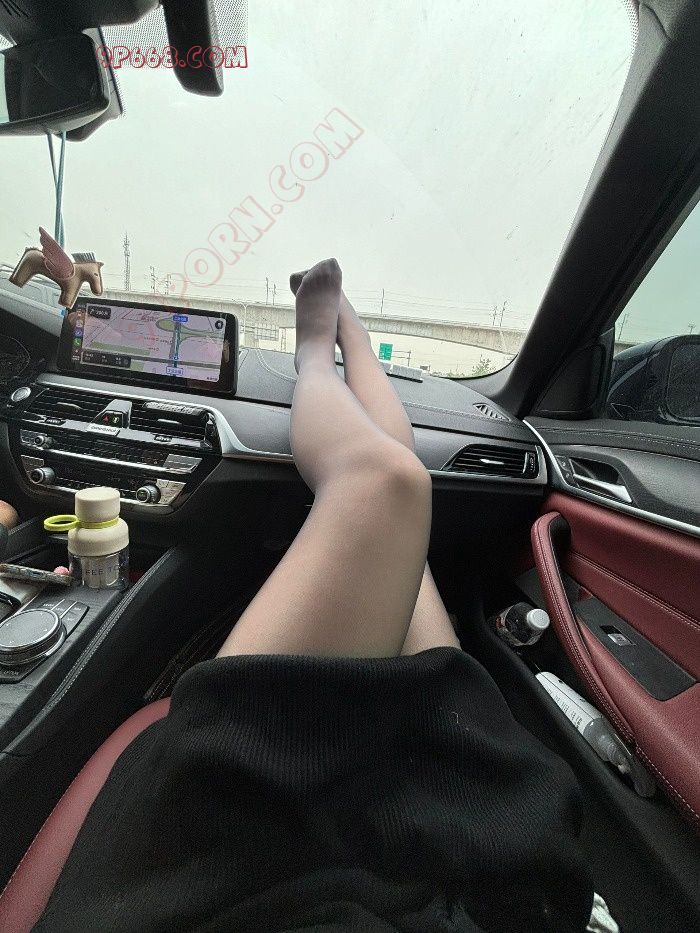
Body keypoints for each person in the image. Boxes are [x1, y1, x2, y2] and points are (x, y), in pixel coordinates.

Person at [35, 260, 595, 932]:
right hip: (483, 879)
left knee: (387, 488)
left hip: (240, 885)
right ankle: (338, 345)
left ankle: (316, 356)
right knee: (396, 514)